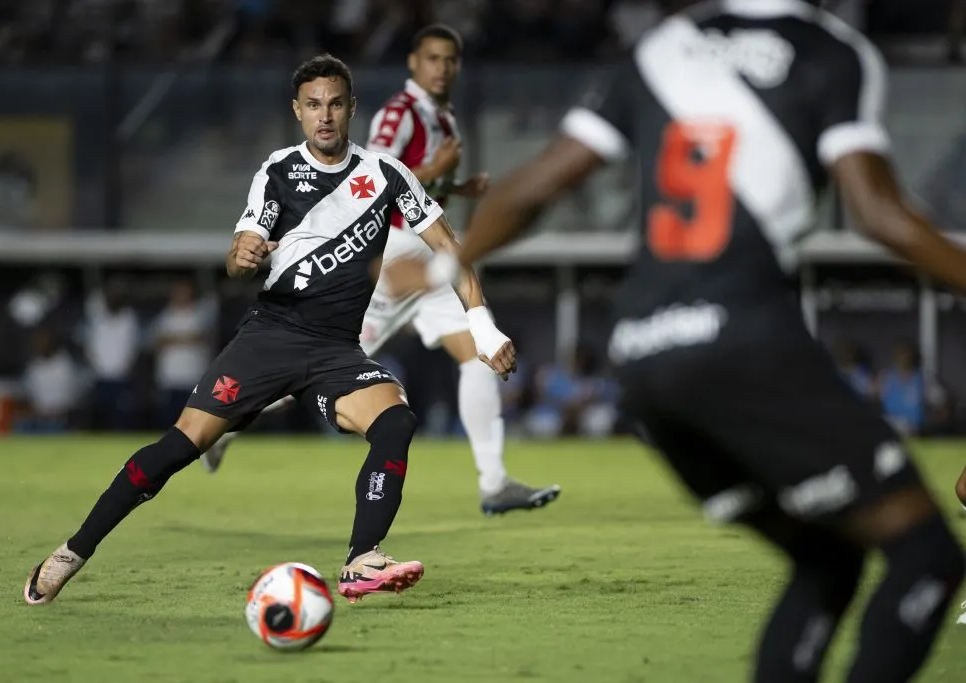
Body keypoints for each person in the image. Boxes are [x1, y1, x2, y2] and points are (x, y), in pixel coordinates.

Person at [387, 1, 966, 680]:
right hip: (745, 341)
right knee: (925, 553)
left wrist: (443, 264)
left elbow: (536, 185)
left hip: (643, 360)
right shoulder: (834, 52)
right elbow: (878, 214)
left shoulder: (664, 47)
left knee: (827, 557)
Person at [23, 54, 517, 607]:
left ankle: (362, 560)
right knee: (181, 447)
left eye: (334, 104)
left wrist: (484, 327)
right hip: (271, 337)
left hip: (336, 350)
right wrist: (243, 253)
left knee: (396, 420)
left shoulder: (386, 175)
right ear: (297, 111)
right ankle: (73, 551)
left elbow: (451, 249)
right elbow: (240, 255)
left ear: (351, 108)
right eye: (313, 105)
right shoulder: (278, 170)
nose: (324, 116)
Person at [201, 24, 561, 517]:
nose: (442, 68)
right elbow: (369, 176)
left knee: (465, 353)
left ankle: (494, 482)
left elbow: (410, 183)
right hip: (386, 253)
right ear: (413, 63)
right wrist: (436, 173)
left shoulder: (441, 117)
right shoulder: (400, 113)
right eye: (432, 58)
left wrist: (452, 189)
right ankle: (225, 421)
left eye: (450, 60)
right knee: (324, 361)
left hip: (417, 254)